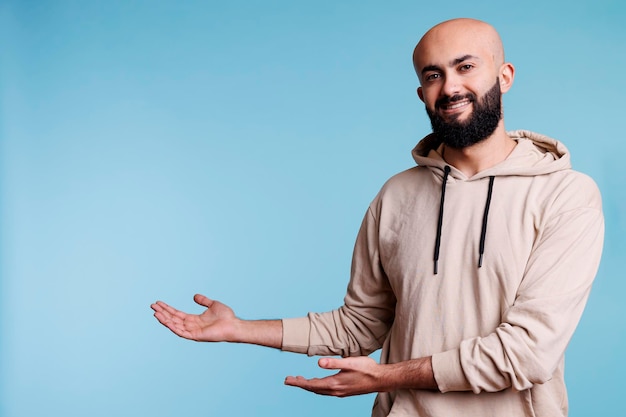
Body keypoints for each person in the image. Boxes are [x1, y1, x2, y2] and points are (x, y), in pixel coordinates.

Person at [151, 18, 604, 417]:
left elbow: (528, 354)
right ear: (421, 92)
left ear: (504, 75)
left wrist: (386, 376)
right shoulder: (396, 195)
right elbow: (361, 324)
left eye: (466, 67)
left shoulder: (565, 194)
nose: (450, 88)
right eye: (433, 75)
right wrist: (239, 328)